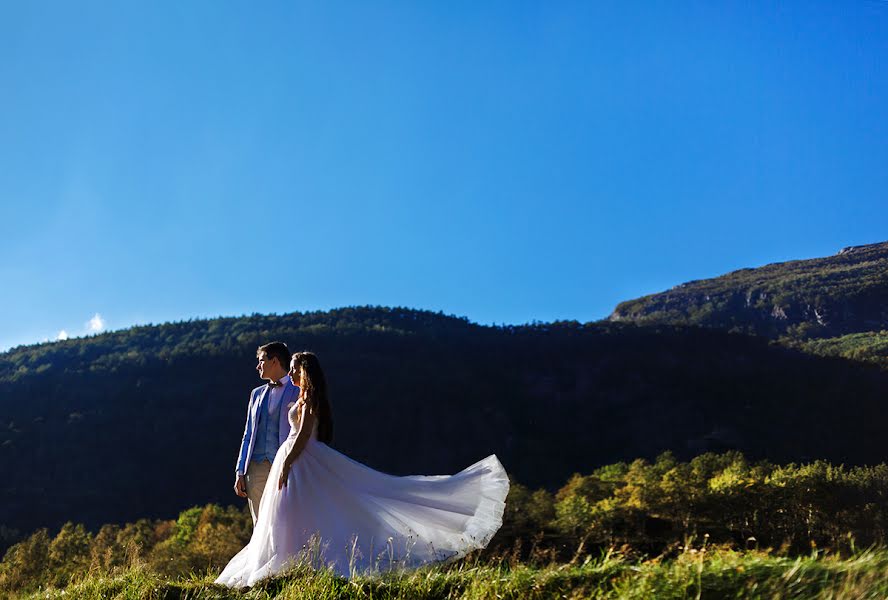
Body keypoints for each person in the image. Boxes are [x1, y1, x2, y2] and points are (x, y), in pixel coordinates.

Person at [216, 351, 509, 586]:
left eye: (294, 368)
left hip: (300, 460)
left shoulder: (307, 400)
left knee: (296, 511)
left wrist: (287, 463)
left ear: (303, 370)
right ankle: (287, 559)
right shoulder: (294, 396)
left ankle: (288, 560)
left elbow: (304, 435)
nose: (291, 373)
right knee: (288, 513)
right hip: (293, 459)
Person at [233, 341, 300, 524]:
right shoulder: (256, 394)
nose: (258, 366)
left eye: (261, 361)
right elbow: (248, 434)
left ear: (274, 361)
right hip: (256, 467)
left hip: (285, 466)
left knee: (283, 520)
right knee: (259, 521)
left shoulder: (298, 391)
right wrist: (240, 470)